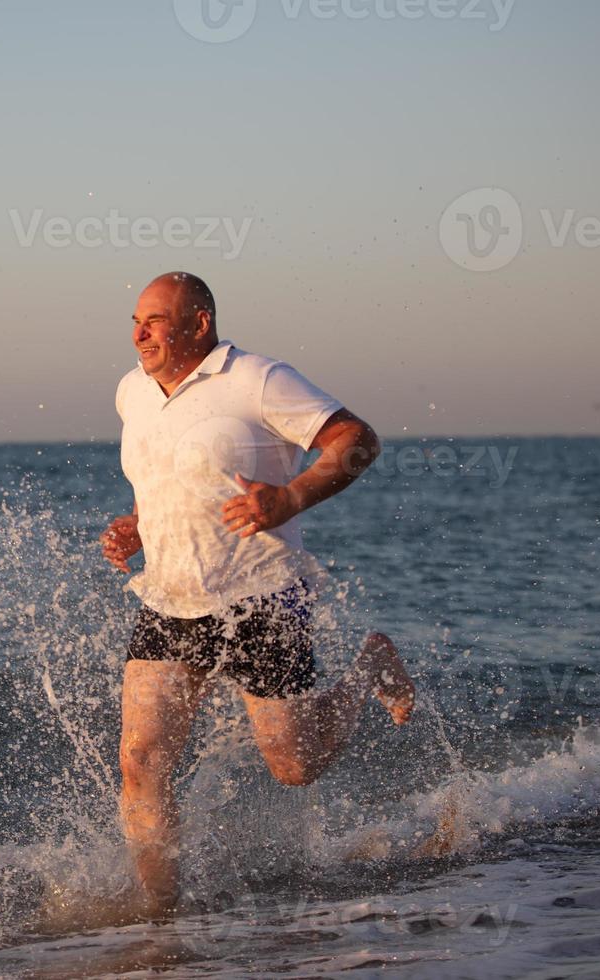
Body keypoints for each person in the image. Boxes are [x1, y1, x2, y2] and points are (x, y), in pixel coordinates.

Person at [99, 271, 415, 918]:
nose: (139, 332)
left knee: (293, 765)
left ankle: (369, 666)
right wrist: (139, 523)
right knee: (139, 761)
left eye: (156, 320)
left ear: (199, 324)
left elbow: (358, 441)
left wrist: (292, 497)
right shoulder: (132, 392)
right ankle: (161, 926)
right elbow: (161, 470)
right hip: (169, 599)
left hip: (261, 599)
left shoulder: (258, 380)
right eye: (135, 319)